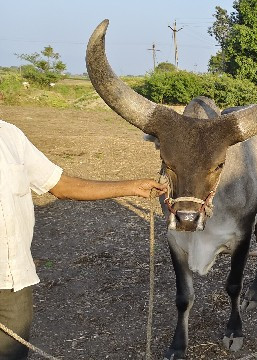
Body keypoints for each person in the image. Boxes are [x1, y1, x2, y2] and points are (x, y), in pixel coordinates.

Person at [0, 119, 166, 359]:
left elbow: (60, 185)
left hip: (13, 281)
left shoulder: (9, 135)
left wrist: (132, 187)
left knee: (13, 354)